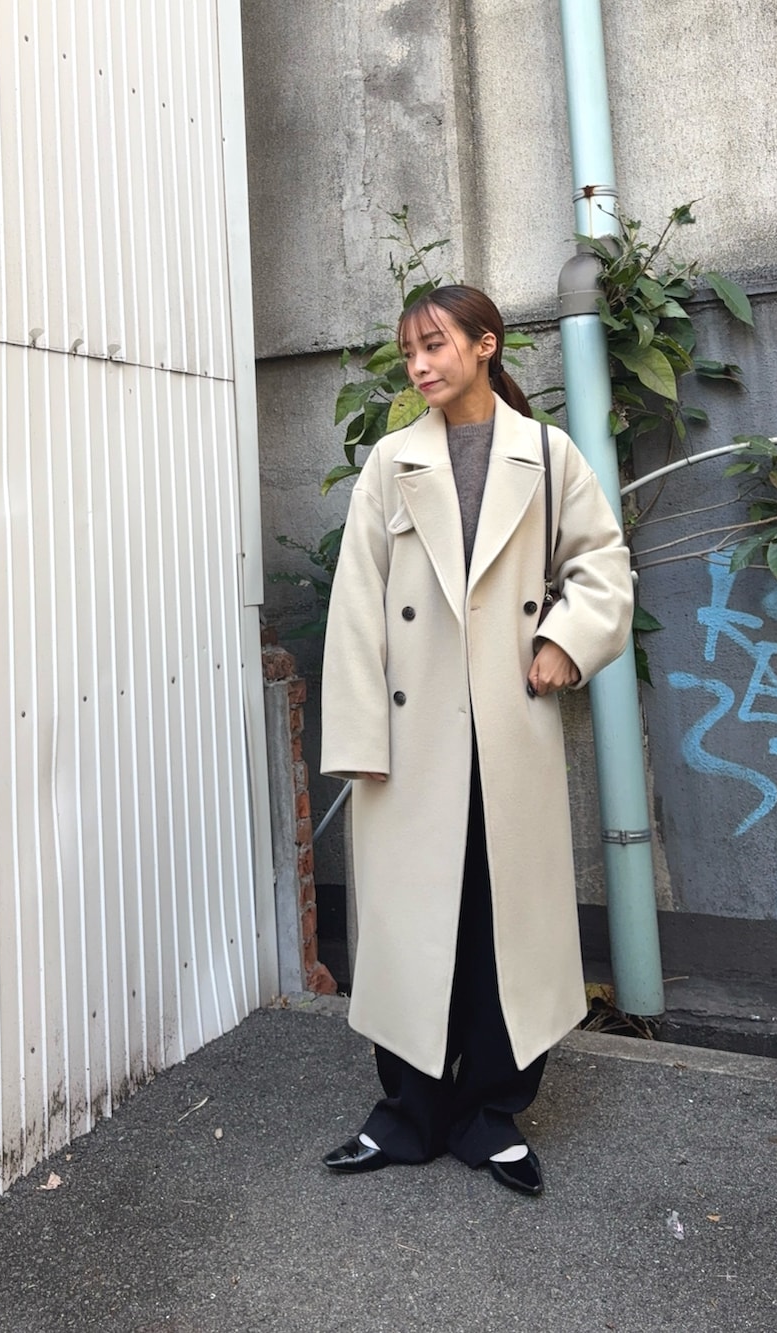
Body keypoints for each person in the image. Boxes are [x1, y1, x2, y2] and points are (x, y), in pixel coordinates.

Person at [319, 284, 633, 1195]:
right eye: (409, 351)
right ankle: (407, 1115)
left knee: (505, 926)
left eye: (435, 345)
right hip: (412, 739)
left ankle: (491, 1115)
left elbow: (603, 565)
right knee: (413, 926)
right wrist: (360, 737)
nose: (419, 365)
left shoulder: (546, 452)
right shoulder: (392, 462)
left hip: (507, 730)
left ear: (486, 344)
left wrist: (564, 643)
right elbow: (356, 604)